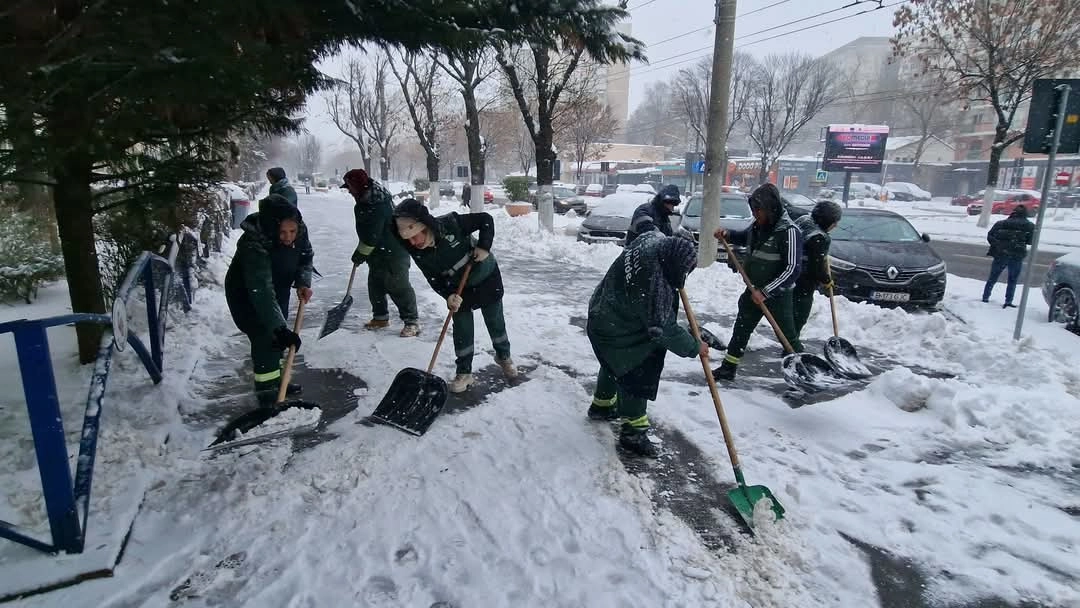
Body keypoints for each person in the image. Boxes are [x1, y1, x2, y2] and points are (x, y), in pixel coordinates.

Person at [586, 233, 706, 458]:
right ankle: (633, 433)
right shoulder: (653, 287)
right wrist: (694, 347)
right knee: (636, 369)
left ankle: (601, 406)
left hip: (604, 310)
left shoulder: (652, 240)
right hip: (616, 327)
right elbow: (664, 330)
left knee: (614, 360)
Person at [392, 198, 517, 392]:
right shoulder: (418, 252)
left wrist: (484, 246)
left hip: (486, 275)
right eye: (407, 239)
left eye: (415, 235)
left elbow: (485, 219)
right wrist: (448, 295)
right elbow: (433, 278)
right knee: (462, 328)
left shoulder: (450, 224)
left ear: (425, 227)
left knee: (495, 320)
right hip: (459, 287)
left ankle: (504, 356)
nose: (412, 242)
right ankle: (464, 373)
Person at [224, 194, 313, 404]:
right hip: (247, 293)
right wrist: (279, 329)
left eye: (292, 231)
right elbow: (261, 288)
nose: (288, 237)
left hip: (278, 288)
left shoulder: (299, 229)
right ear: (272, 228)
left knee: (277, 337)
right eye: (282, 232)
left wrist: (302, 281)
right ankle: (267, 393)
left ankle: (278, 382)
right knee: (266, 337)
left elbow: (305, 256)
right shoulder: (254, 243)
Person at [712, 183, 803, 382]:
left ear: (772, 208)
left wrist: (767, 291)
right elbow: (744, 237)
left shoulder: (789, 231)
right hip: (753, 290)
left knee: (787, 337)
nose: (755, 214)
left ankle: (802, 372)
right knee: (741, 328)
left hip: (778, 295)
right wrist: (727, 234)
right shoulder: (758, 226)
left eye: (758, 210)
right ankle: (729, 366)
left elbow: (792, 269)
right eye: (753, 210)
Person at [342, 169, 420, 336]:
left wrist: (359, 255)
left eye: (349, 187)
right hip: (377, 253)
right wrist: (364, 252)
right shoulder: (366, 200)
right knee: (375, 285)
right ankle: (380, 317)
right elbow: (368, 235)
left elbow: (372, 236)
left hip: (393, 253)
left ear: (358, 186)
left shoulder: (377, 204)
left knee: (398, 286)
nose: (348, 191)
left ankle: (412, 321)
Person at [792, 201, 843, 339]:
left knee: (790, 314)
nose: (836, 225)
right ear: (827, 221)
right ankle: (791, 346)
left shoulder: (804, 220)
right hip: (804, 282)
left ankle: (789, 341)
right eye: (835, 221)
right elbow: (816, 266)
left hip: (790, 276)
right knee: (799, 315)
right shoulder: (819, 237)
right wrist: (827, 280)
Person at [982, 205, 1035, 308]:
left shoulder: (1001, 223)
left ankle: (985, 297)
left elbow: (990, 235)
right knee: (1012, 279)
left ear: (1013, 213)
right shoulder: (1029, 226)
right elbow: (1030, 241)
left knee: (993, 277)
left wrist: (998, 245)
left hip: (1001, 254)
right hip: (1017, 255)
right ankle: (1008, 301)